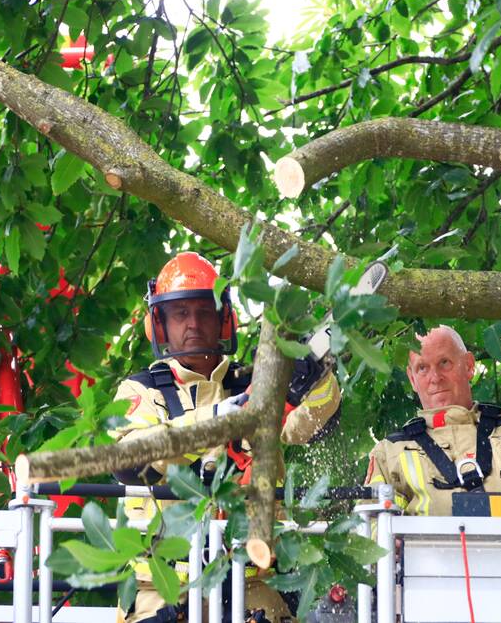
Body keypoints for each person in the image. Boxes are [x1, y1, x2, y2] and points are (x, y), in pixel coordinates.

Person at [112, 252, 342, 623]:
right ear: (161, 324)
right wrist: (221, 417)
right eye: (181, 313)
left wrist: (311, 376)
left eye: (204, 312)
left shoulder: (253, 382)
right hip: (160, 589)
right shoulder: (141, 392)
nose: (193, 323)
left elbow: (308, 425)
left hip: (251, 585)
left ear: (223, 319)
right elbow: (128, 459)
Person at [365, 325, 501, 517]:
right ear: (412, 379)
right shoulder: (390, 451)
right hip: (432, 553)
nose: (435, 377)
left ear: (469, 366)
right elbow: (374, 527)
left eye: (444, 363)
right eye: (423, 368)